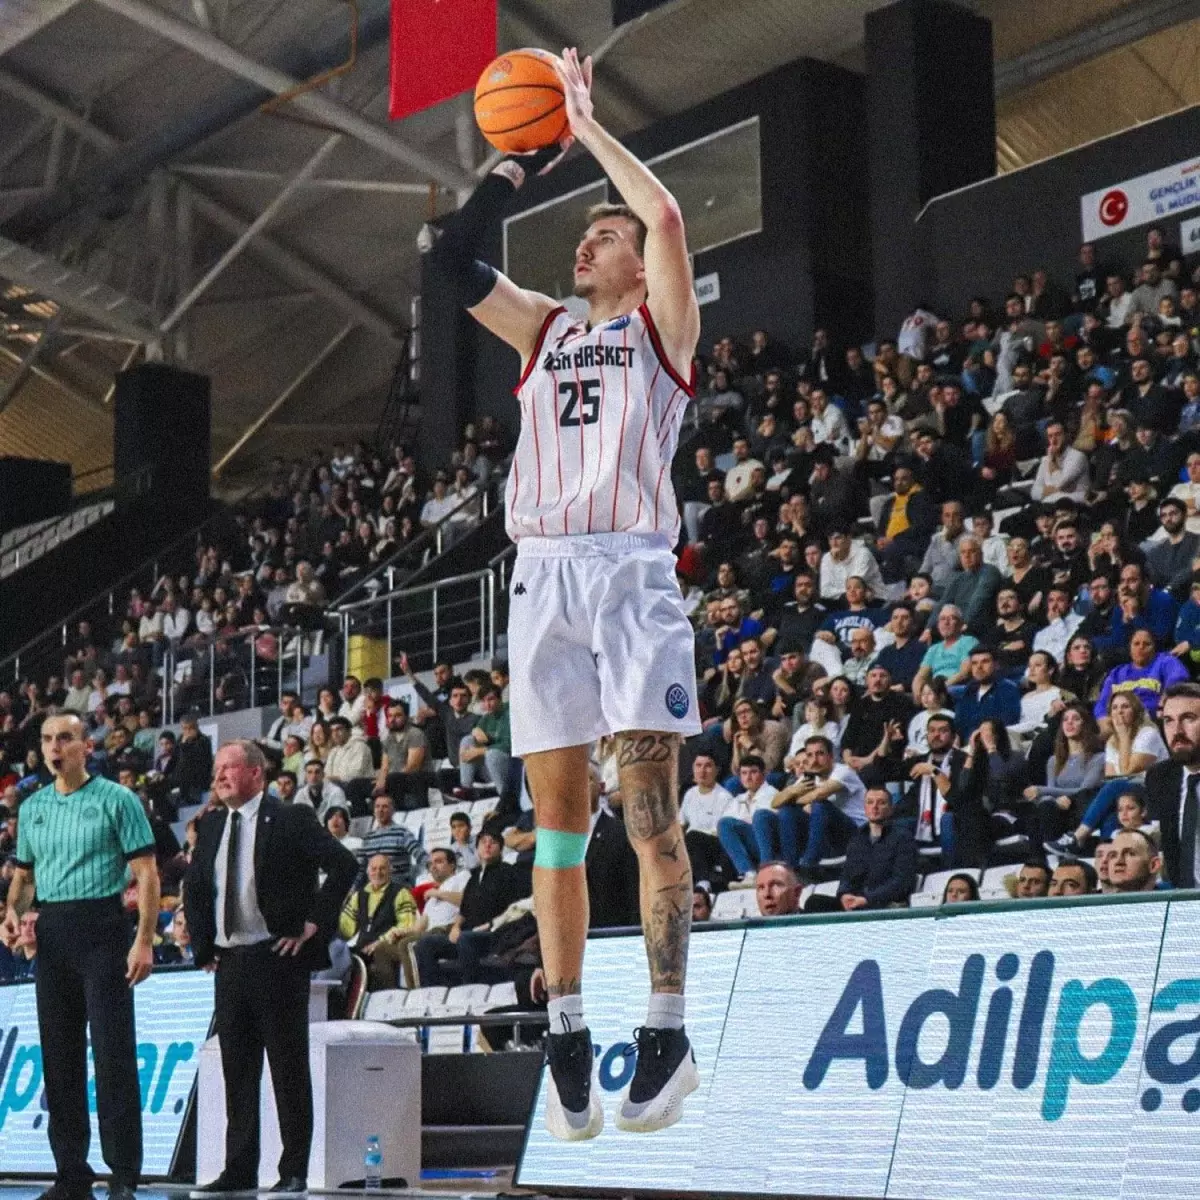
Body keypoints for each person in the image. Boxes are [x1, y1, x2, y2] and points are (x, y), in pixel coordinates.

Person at [432, 47, 704, 1138]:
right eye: (587, 232)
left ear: (637, 269)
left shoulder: (660, 334)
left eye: (607, 234)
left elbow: (672, 216)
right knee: (555, 827)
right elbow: (447, 257)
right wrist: (515, 161)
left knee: (646, 815)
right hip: (543, 580)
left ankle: (669, 1032)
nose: (589, 238)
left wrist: (584, 126)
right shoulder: (544, 328)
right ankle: (571, 1031)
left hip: (631, 575)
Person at [185, 740, 357, 1198]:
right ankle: (238, 1170)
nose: (219, 776)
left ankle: (294, 1169)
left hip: (277, 958)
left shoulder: (291, 818)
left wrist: (314, 925)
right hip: (230, 962)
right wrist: (203, 948)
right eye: (217, 769)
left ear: (257, 774)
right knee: (237, 1071)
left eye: (229, 768)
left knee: (287, 1067)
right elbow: (196, 887)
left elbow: (343, 865)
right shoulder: (212, 824)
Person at [2, 714, 159, 1200]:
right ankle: (71, 1171)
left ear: (85, 747)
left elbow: (147, 875)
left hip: (104, 928)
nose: (54, 747)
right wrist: (10, 912)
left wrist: (145, 939)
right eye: (48, 739)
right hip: (53, 932)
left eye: (64, 738)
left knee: (113, 1055)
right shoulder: (32, 808)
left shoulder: (118, 799)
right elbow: (25, 878)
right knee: (59, 1056)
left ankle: (124, 1174)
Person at [411, 829, 526, 987]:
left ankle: (470, 988)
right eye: (483, 842)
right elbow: (464, 908)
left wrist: (491, 924)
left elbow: (515, 909)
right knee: (426, 944)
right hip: (470, 933)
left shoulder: (509, 872)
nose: (487, 845)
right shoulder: (473, 876)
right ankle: (434, 992)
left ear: (500, 848)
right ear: (477, 849)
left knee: (466, 939)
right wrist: (456, 927)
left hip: (497, 933)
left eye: (492, 842)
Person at [337, 853, 419, 993]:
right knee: (337, 952)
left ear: (390, 870)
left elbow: (406, 925)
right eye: (374, 869)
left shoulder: (401, 892)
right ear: (368, 871)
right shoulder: (358, 895)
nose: (377, 873)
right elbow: (346, 928)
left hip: (387, 945)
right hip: (362, 948)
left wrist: (380, 941)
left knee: (377, 954)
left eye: (382, 868)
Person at [1146, 682, 1200, 887]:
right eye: (1168, 721)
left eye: (1188, 718)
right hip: (1183, 905)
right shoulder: (1160, 776)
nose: (1177, 730)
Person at [834, 787, 917, 910]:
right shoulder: (857, 839)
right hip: (856, 900)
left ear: (891, 809)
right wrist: (844, 894)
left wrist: (867, 899)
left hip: (884, 902)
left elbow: (902, 881)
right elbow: (846, 875)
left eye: (881, 803)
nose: (875, 807)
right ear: (864, 808)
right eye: (870, 802)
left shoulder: (903, 838)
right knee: (814, 902)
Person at [1107, 828, 1163, 893]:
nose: (1118, 862)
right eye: (1113, 855)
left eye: (1130, 854)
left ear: (1154, 865)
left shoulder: (1175, 900)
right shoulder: (1096, 902)